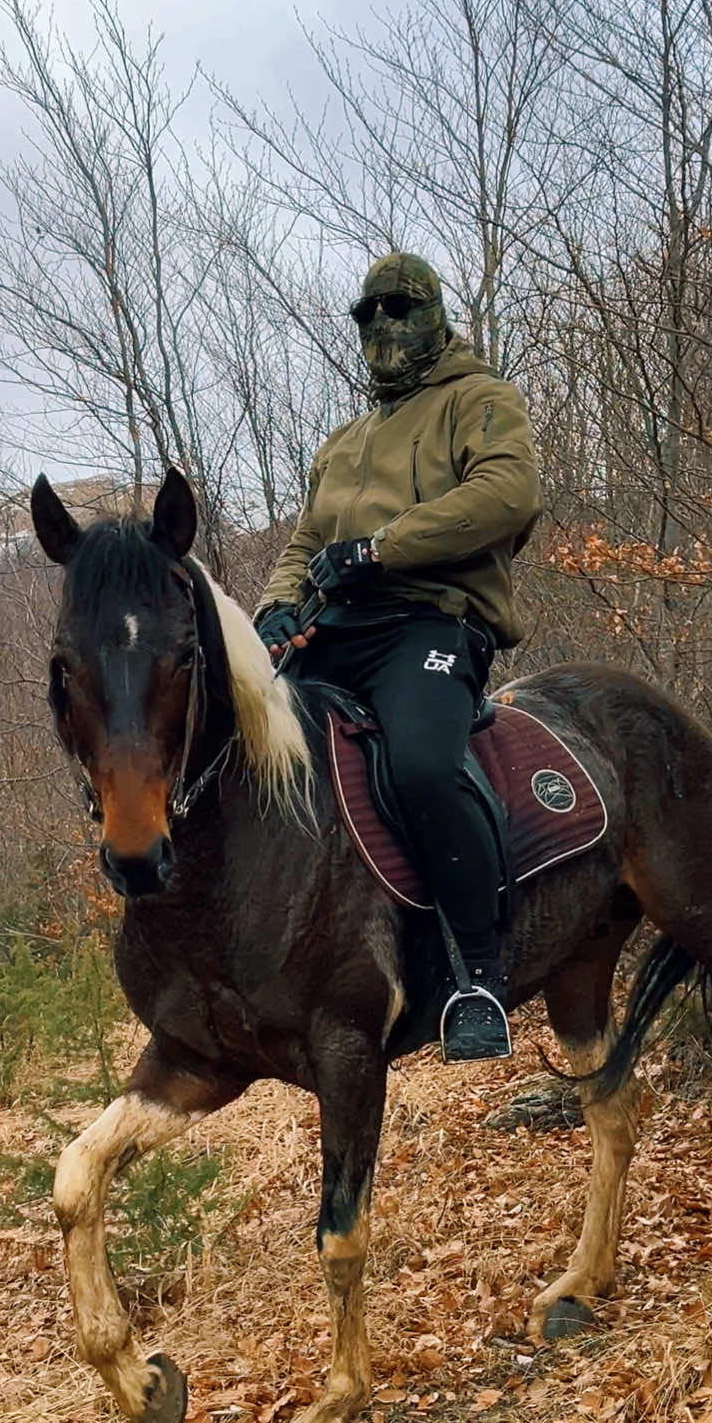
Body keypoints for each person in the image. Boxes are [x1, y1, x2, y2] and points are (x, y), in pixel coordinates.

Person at [254, 252, 541, 1060]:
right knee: (261, 759)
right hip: (338, 630)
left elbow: (507, 496)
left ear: (435, 313)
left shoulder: (482, 401)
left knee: (419, 764)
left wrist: (381, 548)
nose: (381, 323)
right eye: (367, 312)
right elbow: (307, 540)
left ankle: (480, 975)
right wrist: (276, 608)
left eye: (399, 307)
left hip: (434, 622)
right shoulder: (343, 442)